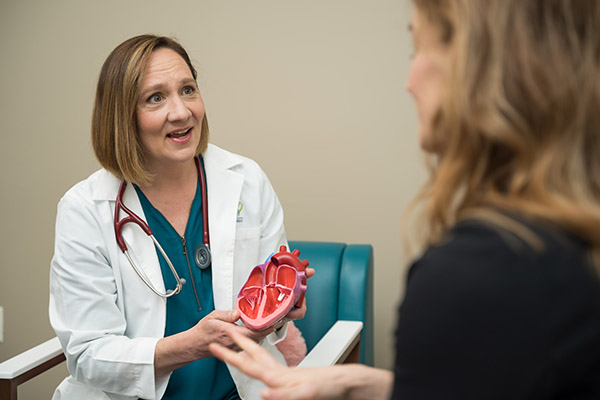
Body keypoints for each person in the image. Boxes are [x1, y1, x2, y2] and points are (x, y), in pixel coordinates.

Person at [209, 0, 600, 398]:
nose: (409, 81)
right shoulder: (564, 243)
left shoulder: (473, 273)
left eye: (419, 52)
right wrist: (363, 383)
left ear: (475, 71)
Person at [49, 34, 313, 400]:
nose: (181, 112)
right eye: (156, 98)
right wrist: (191, 345)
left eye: (188, 89)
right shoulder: (85, 209)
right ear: (122, 117)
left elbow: (268, 308)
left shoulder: (246, 179)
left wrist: (280, 308)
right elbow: (88, 354)